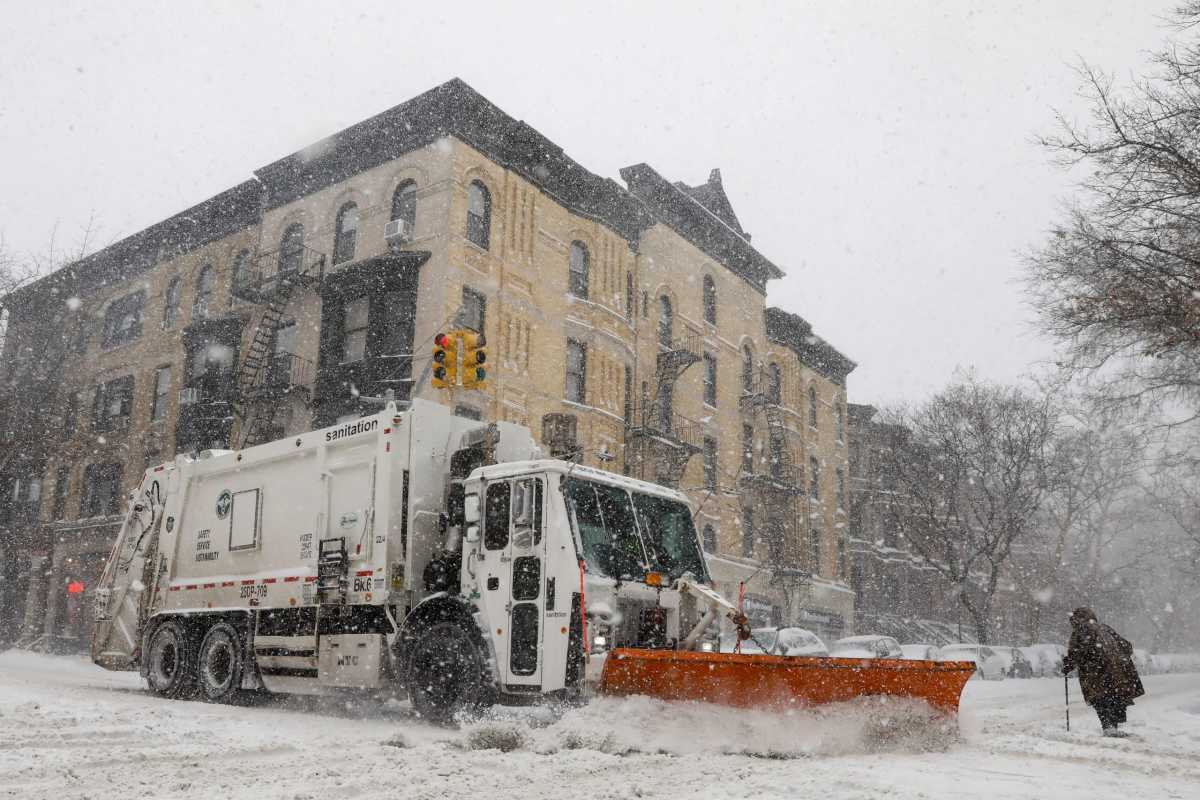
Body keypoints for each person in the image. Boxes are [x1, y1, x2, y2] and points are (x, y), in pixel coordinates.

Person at [1061, 607, 1145, 737]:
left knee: (1100, 699)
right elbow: (1127, 646)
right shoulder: (1105, 628)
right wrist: (1116, 657)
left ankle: (1108, 728)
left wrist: (1069, 664)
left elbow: (1078, 652)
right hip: (1119, 673)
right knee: (1115, 698)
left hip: (1097, 673)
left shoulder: (1081, 630)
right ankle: (1112, 728)